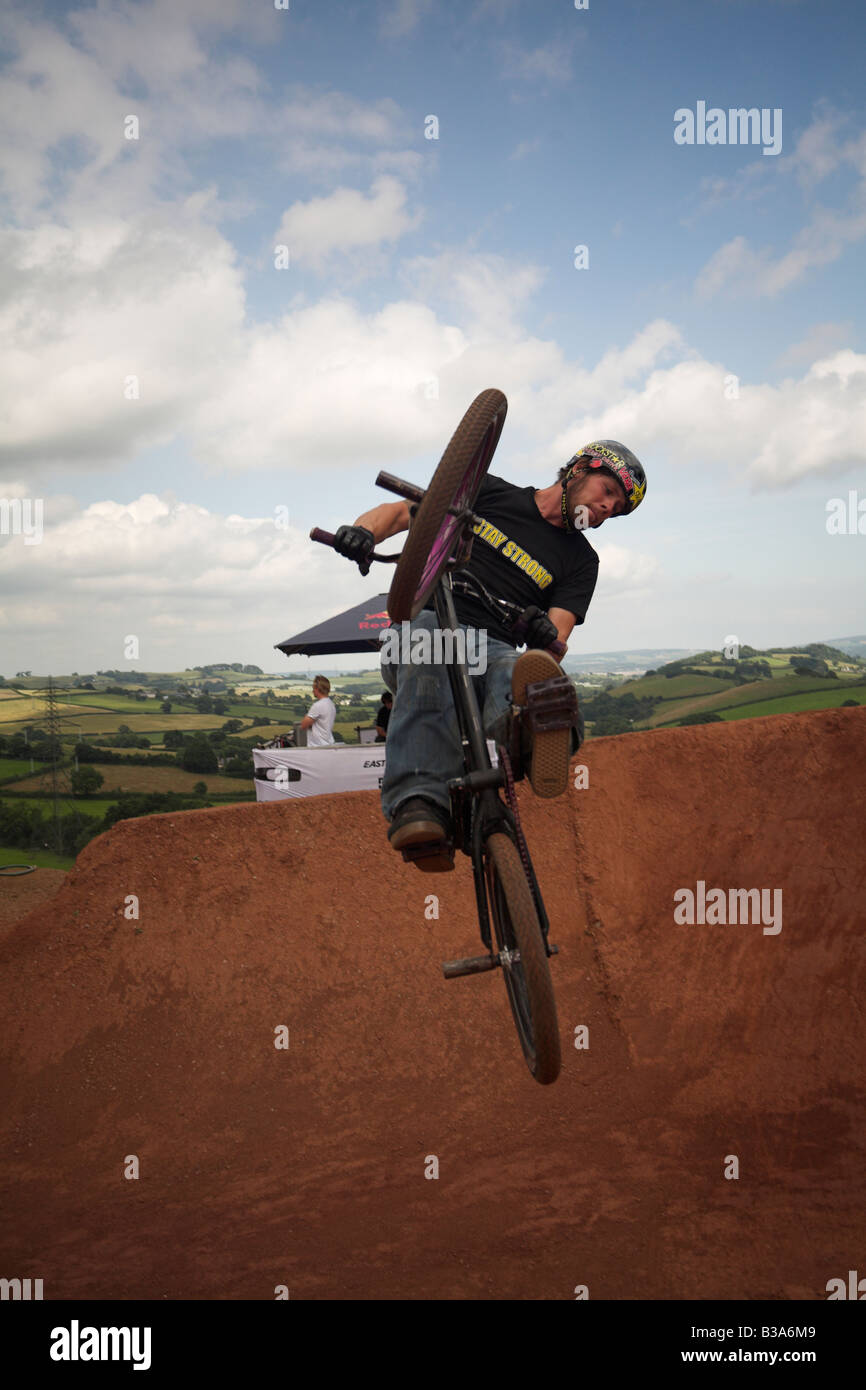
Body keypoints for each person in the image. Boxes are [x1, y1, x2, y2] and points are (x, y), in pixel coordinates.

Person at [333, 439, 647, 865]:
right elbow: (399, 512)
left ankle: (536, 735)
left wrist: (542, 632)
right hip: (431, 614)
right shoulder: (491, 491)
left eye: (619, 508)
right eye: (608, 491)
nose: (610, 507)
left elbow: (556, 639)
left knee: (517, 674)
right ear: (579, 469)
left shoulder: (581, 561)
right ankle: (419, 805)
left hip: (496, 644)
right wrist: (363, 532)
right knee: (431, 654)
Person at [299, 675, 337, 747]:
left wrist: (307, 716)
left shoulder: (317, 705)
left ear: (318, 689)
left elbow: (303, 725)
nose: (312, 690)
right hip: (328, 744)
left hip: (317, 747)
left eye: (313, 688)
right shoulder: (331, 704)